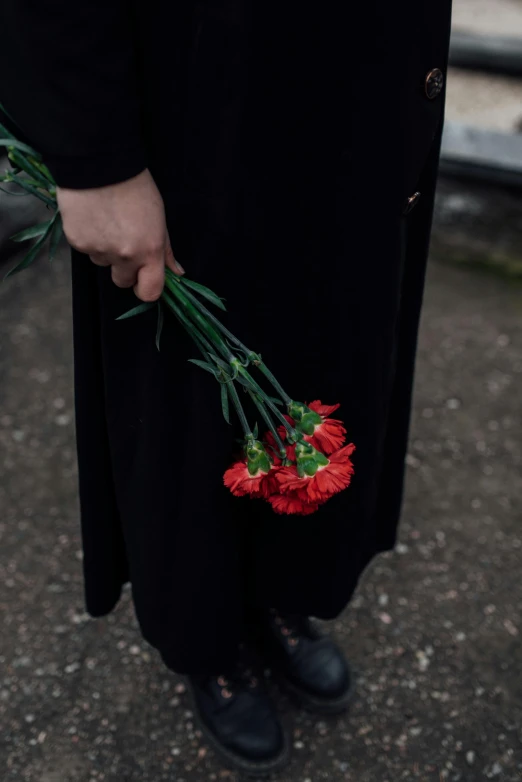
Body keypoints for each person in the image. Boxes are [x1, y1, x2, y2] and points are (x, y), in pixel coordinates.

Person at [0, 1, 453, 775]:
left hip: (359, 94)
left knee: (337, 351)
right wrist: (96, 155)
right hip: (196, 100)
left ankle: (284, 589)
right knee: (183, 392)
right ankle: (204, 638)